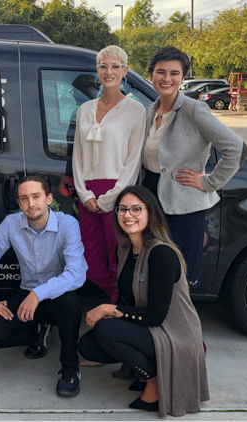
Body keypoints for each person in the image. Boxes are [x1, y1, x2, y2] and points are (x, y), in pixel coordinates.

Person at [78, 185, 209, 416]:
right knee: (88, 346)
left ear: (151, 213)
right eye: (122, 209)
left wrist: (109, 309)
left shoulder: (161, 254)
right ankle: (149, 370)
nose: (128, 215)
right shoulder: (126, 249)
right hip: (151, 328)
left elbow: (156, 315)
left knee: (106, 329)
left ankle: (154, 380)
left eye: (136, 209)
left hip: (175, 334)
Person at [141, 46, 247, 287]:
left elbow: (237, 148)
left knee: (179, 272)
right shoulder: (151, 110)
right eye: (161, 72)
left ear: (182, 77)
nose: (167, 78)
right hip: (151, 196)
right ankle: (156, 318)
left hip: (183, 202)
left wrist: (209, 182)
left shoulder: (194, 109)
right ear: (151, 75)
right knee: (154, 266)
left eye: (174, 73)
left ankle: (179, 322)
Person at [0, 175, 87, 397]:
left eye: (36, 196)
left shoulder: (67, 225)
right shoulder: (11, 223)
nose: (30, 204)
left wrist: (39, 293)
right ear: (19, 203)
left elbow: (76, 274)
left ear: (49, 198)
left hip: (58, 295)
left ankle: (70, 368)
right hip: (27, 294)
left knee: (70, 304)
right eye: (24, 198)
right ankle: (37, 328)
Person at [72, 45, 146, 304]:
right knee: (91, 263)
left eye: (115, 66)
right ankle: (112, 301)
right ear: (97, 70)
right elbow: (78, 156)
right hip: (88, 195)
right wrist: (84, 194)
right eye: (103, 66)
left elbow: (133, 160)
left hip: (119, 194)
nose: (109, 71)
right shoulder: (85, 110)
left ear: (125, 71)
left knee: (119, 259)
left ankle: (117, 309)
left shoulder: (136, 110)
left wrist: (111, 198)